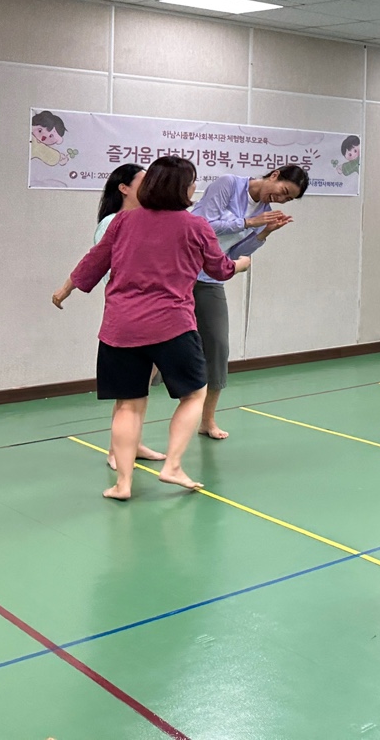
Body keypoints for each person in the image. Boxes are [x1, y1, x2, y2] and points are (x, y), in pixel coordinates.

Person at [53, 157, 249, 501]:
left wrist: (66, 288)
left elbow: (94, 261)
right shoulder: (196, 226)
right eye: (192, 182)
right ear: (183, 188)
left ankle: (123, 484)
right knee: (194, 394)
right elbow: (219, 269)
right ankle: (172, 466)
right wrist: (240, 265)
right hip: (172, 326)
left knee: (128, 403)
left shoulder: (123, 221)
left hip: (121, 327)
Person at [52, 163, 167, 473]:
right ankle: (117, 450)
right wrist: (66, 288)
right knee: (127, 392)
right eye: (143, 180)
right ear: (124, 188)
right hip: (127, 315)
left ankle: (133, 443)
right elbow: (101, 262)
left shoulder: (148, 219)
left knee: (140, 388)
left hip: (152, 315)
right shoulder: (112, 223)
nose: (151, 185)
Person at [189, 165, 309, 440]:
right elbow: (201, 225)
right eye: (284, 191)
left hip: (209, 278)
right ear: (275, 175)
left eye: (288, 199)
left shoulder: (264, 213)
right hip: (178, 272)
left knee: (218, 346)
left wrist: (264, 233)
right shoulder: (229, 184)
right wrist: (248, 223)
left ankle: (207, 420)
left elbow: (233, 252)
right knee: (160, 349)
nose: (281, 199)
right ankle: (133, 422)